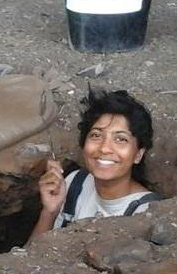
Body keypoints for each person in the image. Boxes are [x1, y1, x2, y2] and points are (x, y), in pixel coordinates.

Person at [29, 88, 161, 240]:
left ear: (138, 154)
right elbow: (28, 258)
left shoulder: (146, 212)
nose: (105, 148)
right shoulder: (74, 183)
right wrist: (50, 211)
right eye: (96, 135)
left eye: (120, 139)